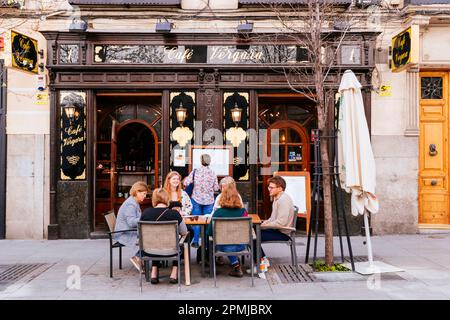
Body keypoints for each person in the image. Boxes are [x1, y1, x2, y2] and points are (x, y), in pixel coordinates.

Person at [139, 188, 188, 284]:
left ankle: (154, 271)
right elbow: (184, 232)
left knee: (156, 239)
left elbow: (139, 233)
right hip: (171, 251)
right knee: (183, 239)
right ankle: (174, 272)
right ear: (167, 198)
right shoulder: (174, 214)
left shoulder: (146, 213)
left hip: (149, 251)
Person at [207, 183, 248, 277]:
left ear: (222, 198)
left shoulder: (218, 213)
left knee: (221, 241)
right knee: (231, 240)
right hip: (241, 246)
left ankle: (233, 265)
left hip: (223, 246)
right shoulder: (243, 212)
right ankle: (236, 265)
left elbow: (209, 232)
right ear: (238, 198)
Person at [255, 175, 295, 264]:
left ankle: (261, 263)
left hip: (283, 233)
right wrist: (265, 223)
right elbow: (273, 218)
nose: (269, 189)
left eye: (271, 187)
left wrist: (264, 226)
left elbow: (281, 223)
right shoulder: (277, 198)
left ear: (280, 188)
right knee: (253, 232)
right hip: (277, 230)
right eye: (269, 187)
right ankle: (262, 260)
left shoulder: (282, 200)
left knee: (253, 237)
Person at [183, 154, 219, 248]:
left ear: (201, 161)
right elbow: (216, 188)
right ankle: (206, 243)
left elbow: (186, 182)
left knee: (196, 220)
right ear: (209, 161)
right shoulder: (213, 173)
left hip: (196, 199)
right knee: (207, 222)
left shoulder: (195, 171)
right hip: (209, 201)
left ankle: (195, 241)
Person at [113, 181, 149, 271]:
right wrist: (145, 218)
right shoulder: (131, 204)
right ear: (137, 192)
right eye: (144, 194)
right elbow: (131, 222)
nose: (145, 196)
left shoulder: (133, 201)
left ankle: (143, 258)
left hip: (127, 230)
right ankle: (138, 257)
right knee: (150, 236)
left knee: (150, 234)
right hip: (124, 233)